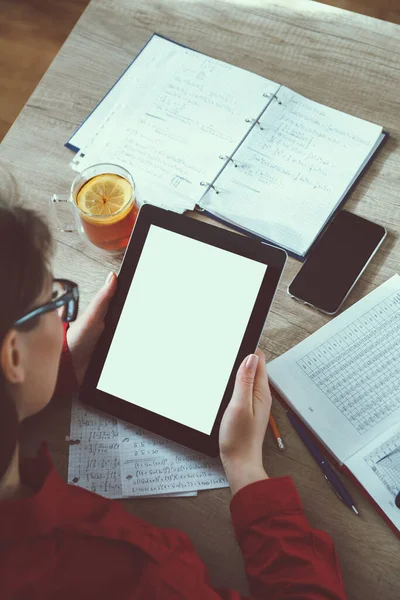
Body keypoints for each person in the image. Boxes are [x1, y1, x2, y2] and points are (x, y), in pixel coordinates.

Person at [0, 197, 347, 600]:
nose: (64, 316)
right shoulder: (134, 576)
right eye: (55, 303)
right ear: (12, 355)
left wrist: (64, 364)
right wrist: (245, 467)